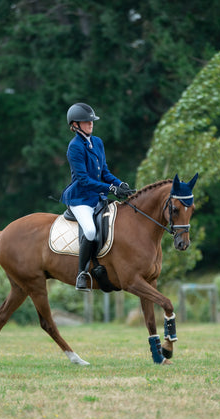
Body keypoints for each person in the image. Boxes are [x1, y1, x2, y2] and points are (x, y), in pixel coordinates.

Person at [61, 102, 135, 291]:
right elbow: (84, 180)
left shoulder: (98, 142)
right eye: (86, 122)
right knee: (91, 231)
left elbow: (105, 172)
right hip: (81, 198)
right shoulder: (74, 147)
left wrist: (120, 184)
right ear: (75, 125)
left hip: (98, 197)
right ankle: (82, 273)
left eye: (91, 121)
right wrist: (111, 188)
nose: (90, 124)